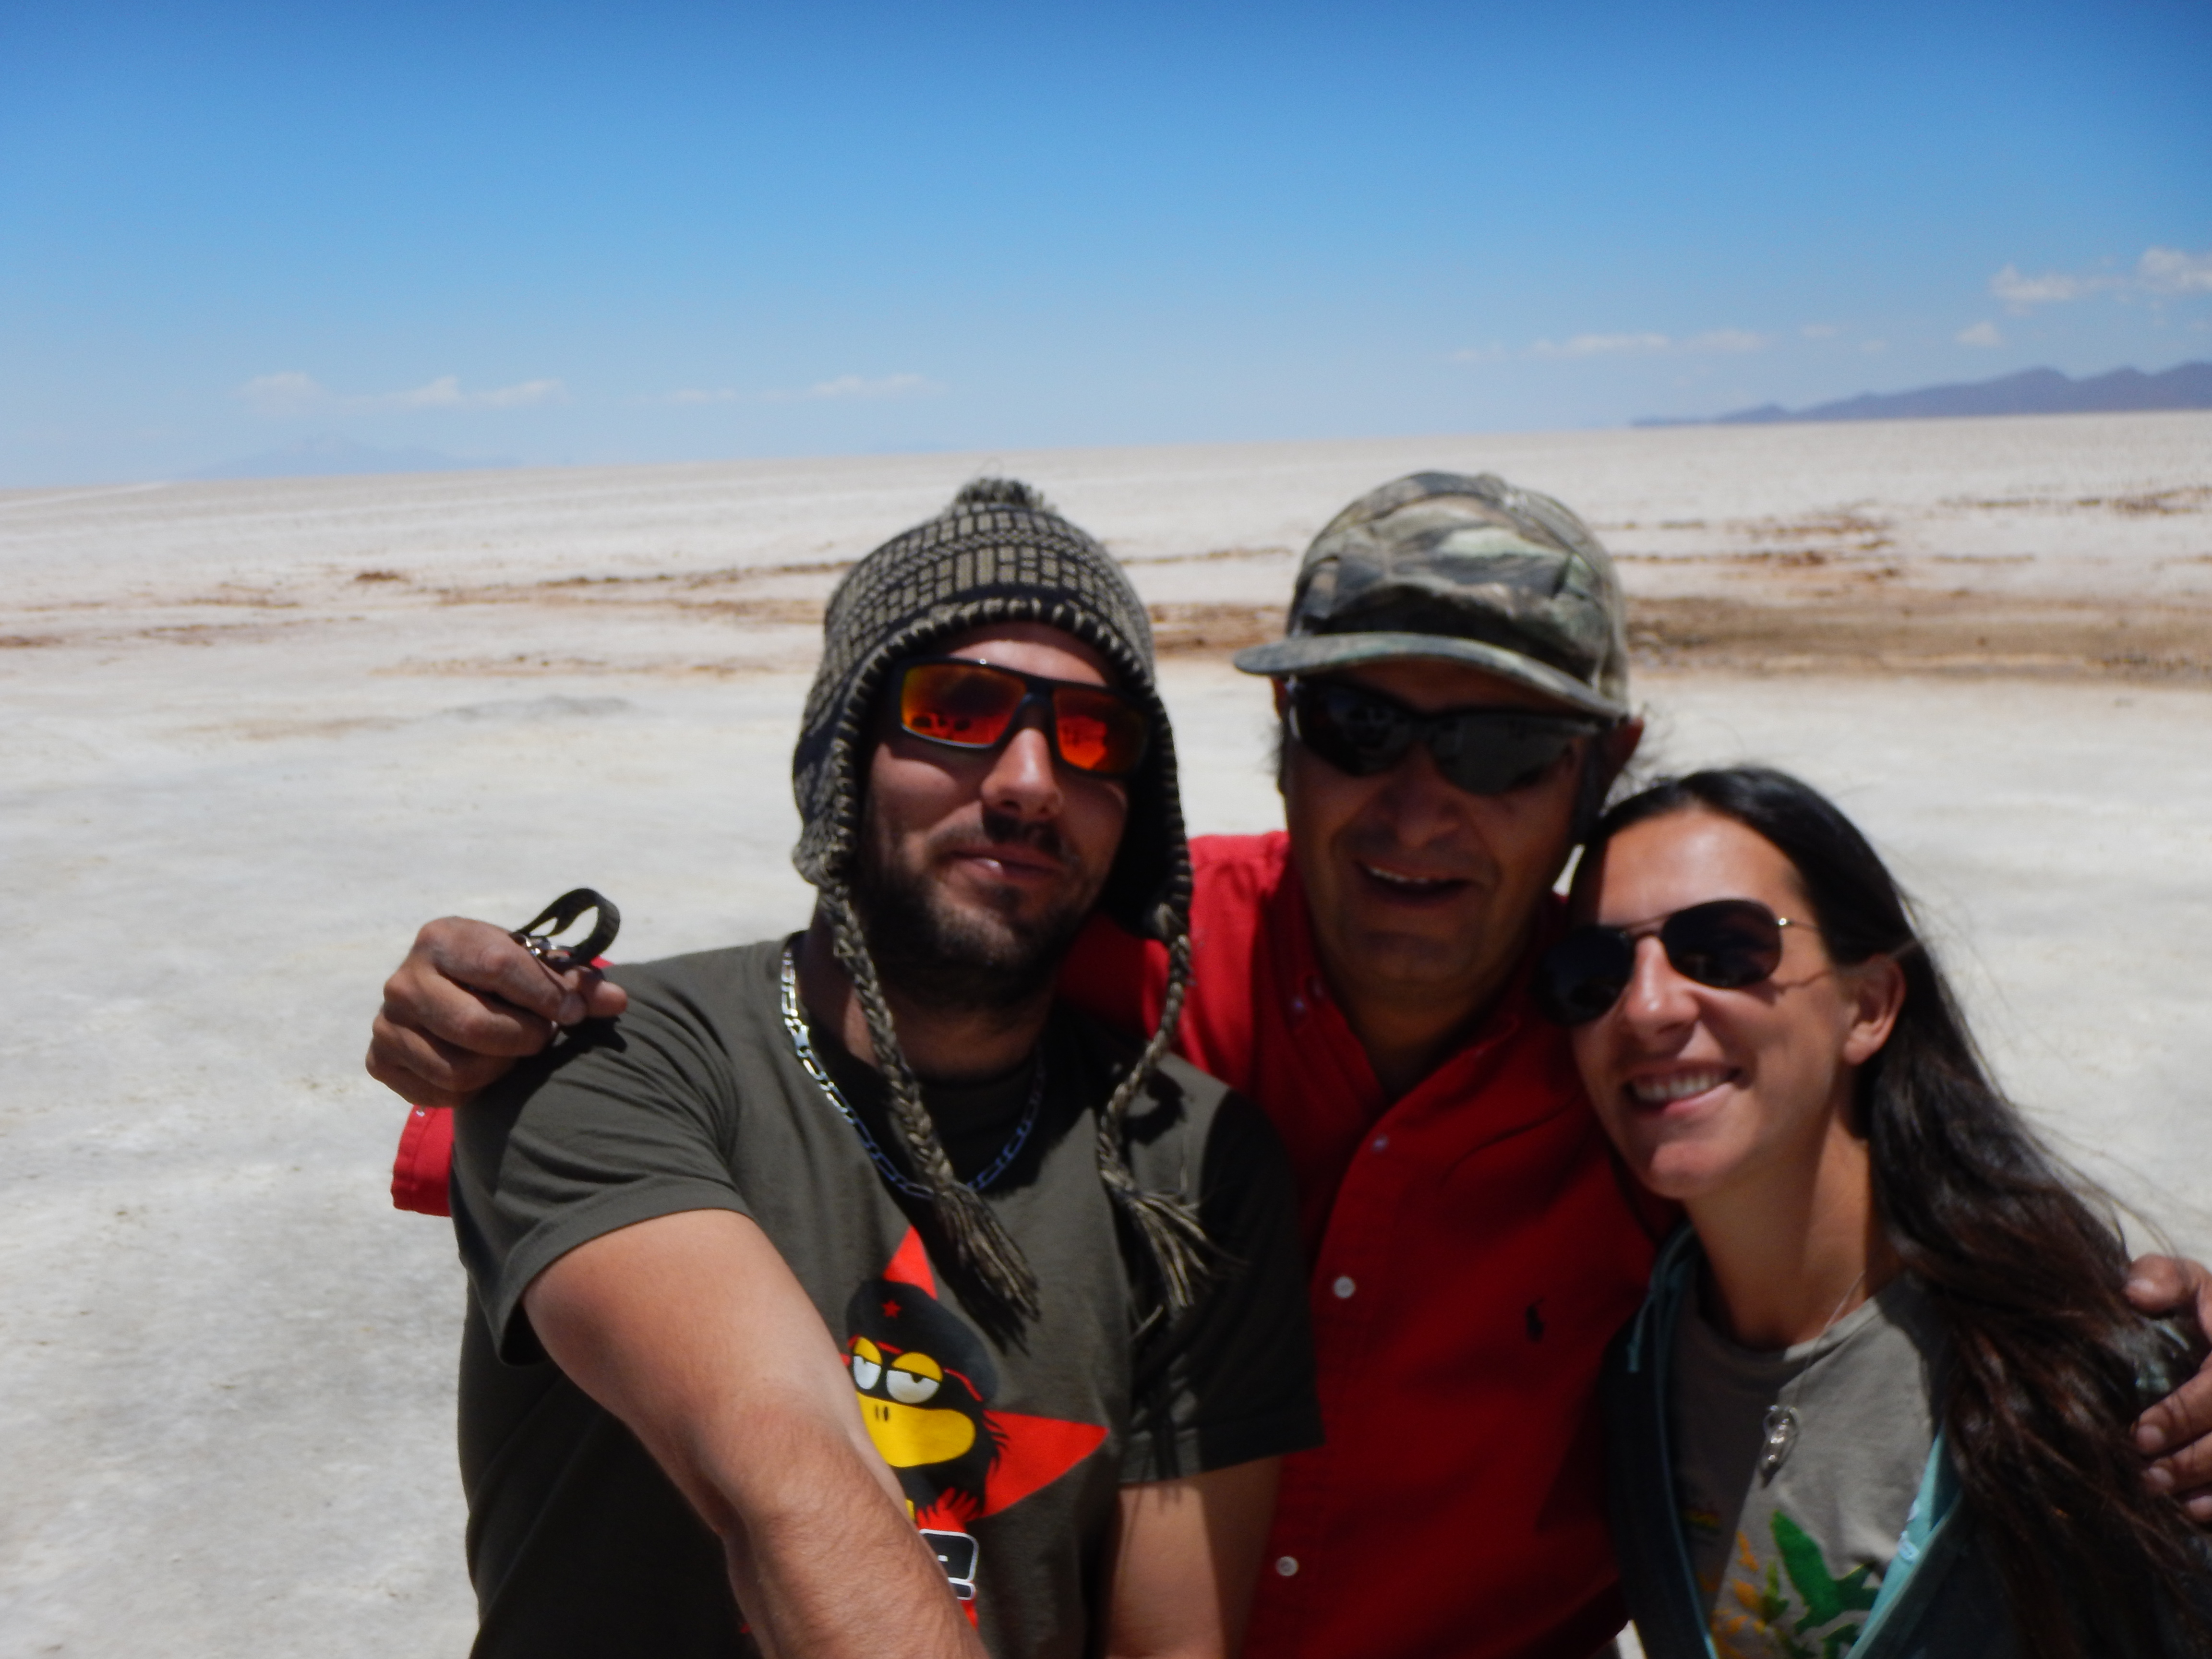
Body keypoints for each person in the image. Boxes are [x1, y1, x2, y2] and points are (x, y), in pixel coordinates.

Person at [371, 472, 2212, 1659]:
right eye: (1359, 722)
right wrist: (478, 1033)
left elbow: (1888, 1200)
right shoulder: (1119, 959)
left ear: (1596, 765)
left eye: (1499, 747)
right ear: (1279, 738)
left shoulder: (1642, 1049)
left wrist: (2143, 1340)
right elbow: (835, 998)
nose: (1417, 803)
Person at [422, 479, 1323, 1659]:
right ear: (844, 756)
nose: (1030, 780)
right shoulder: (610, 1059)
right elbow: (785, 1476)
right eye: (958, 708)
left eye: (1094, 735)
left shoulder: (1189, 1165)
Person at [1548, 766, 2210, 1657]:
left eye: (1724, 950)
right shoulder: (1630, 1367)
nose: (1648, 1006)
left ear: (1868, 1005)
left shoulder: (2087, 1376)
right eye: (1593, 972)